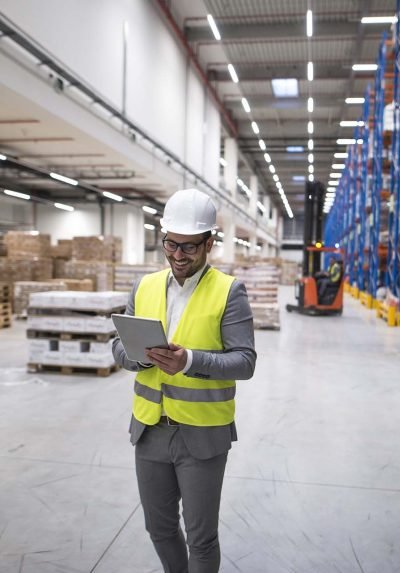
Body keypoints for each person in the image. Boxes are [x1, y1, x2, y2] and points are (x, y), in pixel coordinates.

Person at [112, 188, 256, 573]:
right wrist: (136, 358)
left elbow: (245, 362)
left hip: (202, 436)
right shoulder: (143, 287)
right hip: (150, 430)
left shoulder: (229, 292)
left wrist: (189, 361)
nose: (178, 256)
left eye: (189, 247)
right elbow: (118, 346)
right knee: (158, 528)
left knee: (201, 538)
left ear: (209, 243)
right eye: (171, 245)